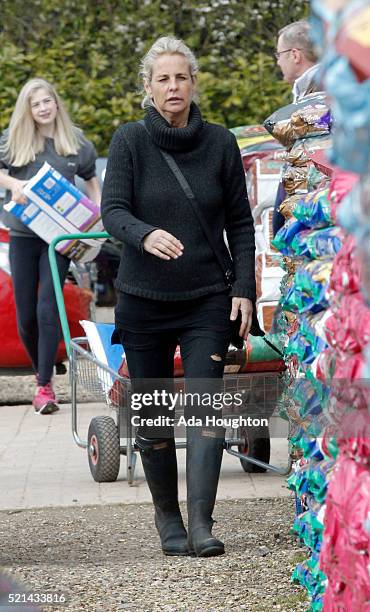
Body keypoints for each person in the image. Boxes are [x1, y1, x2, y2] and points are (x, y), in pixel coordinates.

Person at [101, 37, 261, 558]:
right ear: (148, 88)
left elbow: (240, 222)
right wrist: (144, 234)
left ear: (194, 84)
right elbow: (113, 211)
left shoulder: (220, 143)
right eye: (163, 79)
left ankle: (201, 524)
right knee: (152, 416)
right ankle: (167, 519)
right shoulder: (129, 141)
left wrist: (244, 289)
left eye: (182, 77)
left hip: (206, 299)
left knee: (206, 409)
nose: (174, 86)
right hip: (143, 298)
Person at [0, 78, 101, 414]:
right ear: (28, 110)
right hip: (23, 235)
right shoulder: (14, 141)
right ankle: (41, 366)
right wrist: (15, 184)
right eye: (36, 103)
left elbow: (91, 182)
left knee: (48, 308)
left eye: (47, 101)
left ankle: (44, 387)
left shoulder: (75, 143)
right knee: (25, 316)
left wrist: (96, 218)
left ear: (56, 103)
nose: (43, 108)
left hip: (60, 239)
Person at [273, 20, 320, 235]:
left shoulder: (322, 92)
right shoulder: (307, 91)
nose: (277, 62)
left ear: (294, 55)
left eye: (278, 55)